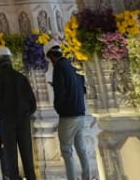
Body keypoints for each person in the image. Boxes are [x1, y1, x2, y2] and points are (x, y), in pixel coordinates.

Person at [0, 48, 38, 180]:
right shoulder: (21, 77)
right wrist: (24, 114)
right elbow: (33, 103)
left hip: (6, 121)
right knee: (28, 156)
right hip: (23, 120)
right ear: (10, 60)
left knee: (11, 159)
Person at [49, 44, 93, 180]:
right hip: (80, 112)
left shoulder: (58, 67)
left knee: (67, 151)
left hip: (68, 115)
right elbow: (82, 86)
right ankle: (87, 176)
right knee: (81, 148)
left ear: (52, 57)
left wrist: (58, 107)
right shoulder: (73, 65)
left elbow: (60, 91)